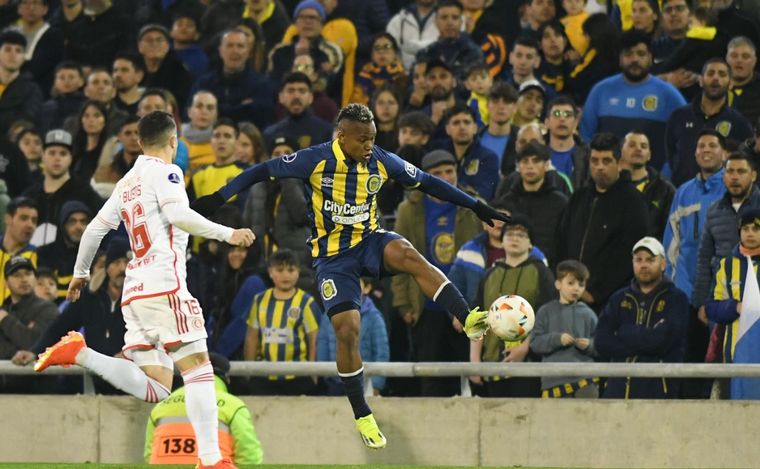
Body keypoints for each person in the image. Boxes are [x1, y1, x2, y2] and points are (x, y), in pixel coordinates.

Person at [191, 103, 506, 448]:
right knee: (348, 328)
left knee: (408, 254)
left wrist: (476, 205)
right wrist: (220, 197)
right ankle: (362, 413)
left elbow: (429, 182)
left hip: (370, 240)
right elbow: (262, 170)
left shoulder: (381, 160)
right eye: (362, 140)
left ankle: (468, 317)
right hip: (333, 258)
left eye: (373, 138)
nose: (369, 145)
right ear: (342, 136)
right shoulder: (316, 160)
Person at [33, 111, 255, 469]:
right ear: (174, 141)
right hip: (164, 284)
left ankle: (81, 354)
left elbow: (93, 231)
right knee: (200, 368)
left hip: (134, 293)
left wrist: (80, 273)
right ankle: (212, 460)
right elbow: (179, 214)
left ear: (138, 143)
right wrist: (228, 234)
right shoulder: (167, 172)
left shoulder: (127, 182)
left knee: (159, 387)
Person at [391, 149, 482, 397]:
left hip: (465, 304)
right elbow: (396, 258)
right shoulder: (410, 209)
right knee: (429, 374)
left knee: (468, 373)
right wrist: (403, 303)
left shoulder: (472, 204)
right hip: (426, 304)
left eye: (449, 171)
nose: (444, 177)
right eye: (437, 173)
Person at [12, 237, 130, 394]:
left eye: (126, 262)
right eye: (116, 263)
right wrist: (35, 351)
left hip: (131, 382)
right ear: (107, 267)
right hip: (96, 382)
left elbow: (154, 334)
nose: (122, 268)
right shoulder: (90, 296)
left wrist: (132, 353)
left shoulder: (141, 298)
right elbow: (60, 327)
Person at [555, 133, 649, 312]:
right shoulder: (578, 198)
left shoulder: (633, 202)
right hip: (569, 296)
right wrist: (565, 282)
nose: (599, 167)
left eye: (606, 161)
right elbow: (561, 242)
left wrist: (596, 292)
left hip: (611, 302)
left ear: (620, 163)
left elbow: (628, 255)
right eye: (595, 161)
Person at [470, 215, 556, 398]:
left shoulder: (541, 272)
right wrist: (474, 361)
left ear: (531, 244)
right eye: (509, 233)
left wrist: (525, 346)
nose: (514, 238)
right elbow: (478, 318)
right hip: (492, 363)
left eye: (521, 235)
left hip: (530, 364)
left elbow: (548, 315)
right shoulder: (489, 274)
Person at [596, 236, 689, 399]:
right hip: (616, 394)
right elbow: (602, 342)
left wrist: (624, 333)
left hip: (659, 395)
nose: (644, 265)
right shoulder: (618, 298)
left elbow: (664, 343)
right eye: (638, 260)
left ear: (663, 264)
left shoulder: (676, 299)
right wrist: (647, 339)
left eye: (650, 260)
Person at [579, 30, 686, 171]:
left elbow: (684, 139)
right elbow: (586, 138)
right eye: (628, 54)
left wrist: (667, 175)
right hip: (608, 181)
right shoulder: (601, 91)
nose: (635, 59)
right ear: (620, 58)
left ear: (650, 57)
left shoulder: (669, 94)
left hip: (653, 186)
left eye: (641, 54)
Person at [144, 352, 264, 465]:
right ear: (226, 379)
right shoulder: (232, 406)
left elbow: (149, 455)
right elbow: (250, 456)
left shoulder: (161, 406)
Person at [694, 152, 760, 322]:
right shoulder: (714, 210)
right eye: (730, 171)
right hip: (722, 299)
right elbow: (704, 257)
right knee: (722, 347)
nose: (735, 177)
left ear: (753, 175)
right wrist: (702, 301)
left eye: (741, 171)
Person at [243, 249, 320, 395]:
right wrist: (249, 372)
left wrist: (313, 374)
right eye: (279, 270)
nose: (285, 275)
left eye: (291, 270)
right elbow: (251, 337)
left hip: (297, 377)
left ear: (298, 272)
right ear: (270, 272)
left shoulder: (306, 302)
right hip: (264, 376)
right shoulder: (259, 300)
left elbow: (313, 340)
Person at [665, 58, 753, 186]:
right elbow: (671, 153)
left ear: (730, 83)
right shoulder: (679, 116)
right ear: (701, 81)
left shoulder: (739, 123)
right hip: (682, 192)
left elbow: (746, 161)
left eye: (722, 74)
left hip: (722, 197)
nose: (716, 78)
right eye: (711, 73)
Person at [706, 207, 760, 399]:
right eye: (746, 229)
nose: (750, 233)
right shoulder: (726, 265)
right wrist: (735, 307)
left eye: (756, 228)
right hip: (733, 356)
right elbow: (711, 308)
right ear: (739, 232)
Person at [21, 129, 103, 247]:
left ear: (70, 158)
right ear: (43, 155)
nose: (57, 158)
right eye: (52, 153)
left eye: (63, 153)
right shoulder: (29, 195)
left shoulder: (85, 193)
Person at [530, 260, 598, 398]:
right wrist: (557, 339)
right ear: (558, 284)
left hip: (585, 379)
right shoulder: (545, 311)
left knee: (588, 417)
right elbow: (535, 343)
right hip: (553, 381)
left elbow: (602, 345)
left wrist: (589, 345)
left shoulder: (588, 314)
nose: (576, 288)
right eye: (571, 283)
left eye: (581, 285)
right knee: (556, 419)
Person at [496, 142, 568, 265]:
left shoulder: (561, 203)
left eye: (535, 161)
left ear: (546, 165)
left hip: (549, 270)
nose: (530, 166)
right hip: (512, 268)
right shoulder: (506, 202)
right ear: (518, 166)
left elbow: (566, 242)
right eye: (525, 161)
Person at [318, 276, 389, 395]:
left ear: (366, 288)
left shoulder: (374, 318)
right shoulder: (328, 315)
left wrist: (377, 384)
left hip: (364, 382)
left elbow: (382, 352)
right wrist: (326, 374)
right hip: (335, 381)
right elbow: (322, 343)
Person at [619, 131, 675, 239]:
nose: (638, 149)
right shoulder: (610, 186)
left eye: (643, 146)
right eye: (632, 145)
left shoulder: (665, 191)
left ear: (649, 155)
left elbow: (671, 234)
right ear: (621, 152)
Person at [0, 255, 57, 359]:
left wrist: (5, 320)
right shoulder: (3, 310)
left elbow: (38, 344)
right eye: (16, 275)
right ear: (6, 283)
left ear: (35, 279)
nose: (24, 279)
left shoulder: (48, 309)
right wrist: (24, 334)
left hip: (38, 374)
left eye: (28, 274)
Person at [35, 201, 91, 302]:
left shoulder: (95, 256)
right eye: (72, 222)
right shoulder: (43, 254)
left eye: (83, 222)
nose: (79, 227)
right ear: (62, 225)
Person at [441, 104, 500, 200]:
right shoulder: (439, 156)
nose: (462, 127)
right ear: (447, 129)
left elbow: (483, 194)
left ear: (475, 128)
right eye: (456, 123)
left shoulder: (489, 158)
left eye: (467, 122)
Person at [262, 72, 333, 151]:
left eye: (302, 91)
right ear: (281, 97)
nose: (296, 96)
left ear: (311, 97)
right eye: (290, 91)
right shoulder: (270, 134)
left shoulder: (326, 132)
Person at [0, 196, 37, 302]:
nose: (30, 225)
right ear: (8, 219)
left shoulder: (39, 256)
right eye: (24, 218)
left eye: (34, 220)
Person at [385, 0, 439, 70]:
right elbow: (388, 49)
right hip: (404, 76)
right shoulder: (398, 21)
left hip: (439, 77)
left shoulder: (450, 19)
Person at [727, 37, 760, 125]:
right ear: (727, 59)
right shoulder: (716, 86)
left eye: (745, 56)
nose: (739, 60)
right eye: (734, 56)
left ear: (754, 61)